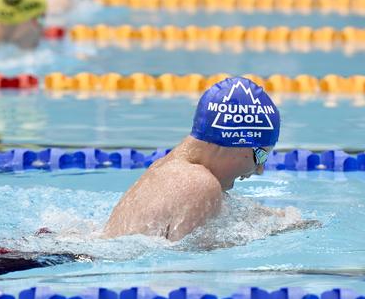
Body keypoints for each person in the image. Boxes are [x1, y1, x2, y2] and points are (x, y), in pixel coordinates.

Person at [103, 77, 282, 241]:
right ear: (236, 142)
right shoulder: (199, 183)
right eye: (261, 155)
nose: (260, 169)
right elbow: (185, 265)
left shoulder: (167, 170)